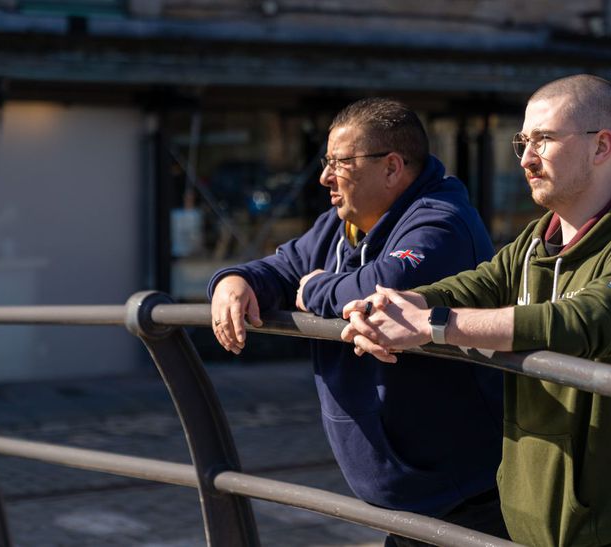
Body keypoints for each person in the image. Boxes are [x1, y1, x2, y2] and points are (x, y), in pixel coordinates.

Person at [342, 76, 611, 547]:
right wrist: (388, 304)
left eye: (544, 140)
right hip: (526, 520)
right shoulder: (533, 241)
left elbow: (588, 320)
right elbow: (475, 285)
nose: (526, 158)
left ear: (602, 146)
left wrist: (434, 326)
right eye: (523, 141)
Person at [208, 98, 507, 543]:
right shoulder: (340, 224)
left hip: (462, 497)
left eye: (341, 163)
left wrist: (312, 290)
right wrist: (234, 279)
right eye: (327, 161)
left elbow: (383, 285)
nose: (325, 176)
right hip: (406, 498)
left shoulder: (442, 220)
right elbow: (282, 267)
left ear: (391, 168)